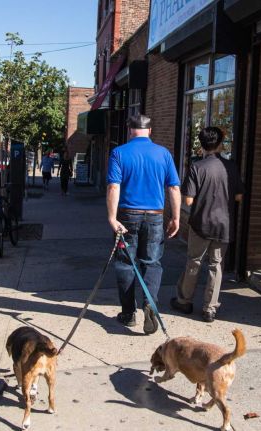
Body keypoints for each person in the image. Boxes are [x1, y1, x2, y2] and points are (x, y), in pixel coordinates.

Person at [107, 114, 181, 335]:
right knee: (152, 262)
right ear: (150, 131)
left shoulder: (119, 153)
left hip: (128, 215)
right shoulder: (163, 154)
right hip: (155, 216)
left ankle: (129, 313)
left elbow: (113, 187)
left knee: (125, 263)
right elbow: (173, 188)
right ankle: (150, 303)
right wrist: (176, 217)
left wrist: (112, 217)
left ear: (130, 130)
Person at [170, 127, 243, 322]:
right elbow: (238, 196)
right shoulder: (231, 167)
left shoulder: (197, 167)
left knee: (194, 261)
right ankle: (210, 308)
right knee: (216, 265)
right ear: (220, 144)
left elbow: (188, 200)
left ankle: (184, 300)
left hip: (200, 223)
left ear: (201, 145)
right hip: (224, 223)